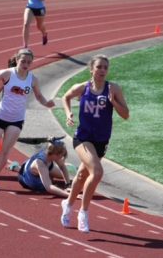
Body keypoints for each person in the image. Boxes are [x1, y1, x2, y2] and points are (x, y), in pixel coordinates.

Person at [60, 54, 129, 233]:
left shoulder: (113, 89)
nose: (102, 71)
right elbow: (65, 97)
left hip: (101, 141)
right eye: (99, 67)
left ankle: (67, 205)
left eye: (105, 67)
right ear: (91, 69)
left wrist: (114, 102)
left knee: (83, 175)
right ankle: (83, 212)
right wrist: (68, 114)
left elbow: (126, 115)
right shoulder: (82, 88)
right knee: (97, 172)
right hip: (83, 138)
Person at [0, 48, 55, 191]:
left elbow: (39, 96)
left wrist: (47, 103)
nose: (26, 64)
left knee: (5, 152)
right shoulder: (8, 73)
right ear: (17, 60)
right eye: (23, 61)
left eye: (29, 62)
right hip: (1, 116)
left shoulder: (32, 79)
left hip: (17, 120)